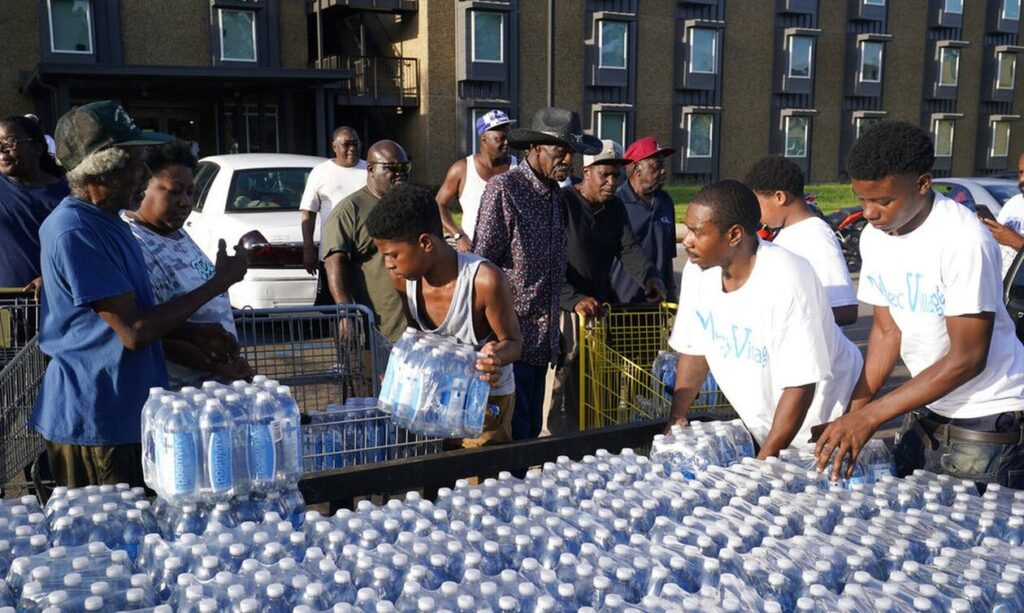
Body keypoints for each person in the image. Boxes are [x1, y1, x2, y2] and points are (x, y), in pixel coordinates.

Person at [31, 100, 249, 488]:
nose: (143, 175)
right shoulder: (75, 230)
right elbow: (132, 331)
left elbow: (139, 313)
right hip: (99, 421)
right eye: (136, 165)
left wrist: (194, 334)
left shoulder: (109, 221)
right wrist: (220, 282)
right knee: (110, 540)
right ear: (104, 169)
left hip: (133, 413)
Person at [814, 121, 1024, 488]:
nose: (869, 212)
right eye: (862, 198)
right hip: (930, 408)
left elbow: (968, 358)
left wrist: (870, 418)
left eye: (883, 200)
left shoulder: (962, 240)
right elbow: (886, 331)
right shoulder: (875, 238)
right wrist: (853, 412)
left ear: (923, 184)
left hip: (989, 418)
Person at [665, 180, 862, 457]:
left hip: (821, 423)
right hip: (766, 420)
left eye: (697, 233)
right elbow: (695, 349)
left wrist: (765, 461)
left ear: (734, 235)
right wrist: (677, 416)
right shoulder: (698, 272)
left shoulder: (788, 277)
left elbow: (801, 384)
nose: (687, 241)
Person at [473, 107, 602, 441]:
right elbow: (480, 265)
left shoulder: (557, 197)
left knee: (530, 433)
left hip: (542, 341)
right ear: (534, 149)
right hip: (508, 341)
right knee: (507, 439)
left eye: (571, 154)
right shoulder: (504, 189)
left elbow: (553, 270)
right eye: (561, 152)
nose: (568, 161)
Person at [367, 184, 522, 447]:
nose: (389, 265)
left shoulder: (484, 281)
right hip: (433, 396)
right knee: (436, 480)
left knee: (480, 484)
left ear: (425, 243)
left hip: (483, 402)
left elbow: (514, 344)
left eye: (393, 255)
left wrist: (495, 358)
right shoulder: (403, 279)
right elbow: (419, 337)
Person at [547, 140, 667, 431]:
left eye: (617, 175)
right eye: (606, 175)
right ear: (586, 172)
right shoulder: (562, 204)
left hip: (598, 306)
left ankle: (590, 439)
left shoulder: (614, 208)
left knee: (597, 380)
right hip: (565, 304)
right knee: (564, 379)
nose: (613, 182)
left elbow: (628, 247)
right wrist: (572, 298)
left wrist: (649, 277)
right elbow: (545, 262)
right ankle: (553, 446)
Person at [123, 140, 255, 388]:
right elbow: (153, 333)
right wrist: (221, 280)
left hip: (214, 388)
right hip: (178, 397)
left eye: (190, 192)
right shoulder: (135, 243)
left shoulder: (175, 231)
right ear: (142, 188)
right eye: (173, 192)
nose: (185, 202)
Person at [744, 155, 858, 326]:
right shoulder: (788, 233)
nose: (756, 214)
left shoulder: (815, 236)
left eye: (758, 204)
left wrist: (779, 318)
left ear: (780, 197)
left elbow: (845, 309)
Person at [321, 140, 410, 342]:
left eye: (405, 167)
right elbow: (334, 262)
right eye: (393, 167)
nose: (401, 172)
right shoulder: (350, 210)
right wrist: (345, 311)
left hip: (416, 324)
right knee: (377, 373)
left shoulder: (411, 204)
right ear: (371, 168)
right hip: (379, 327)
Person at [0, 115, 69, 293]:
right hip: (4, 309)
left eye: (10, 142)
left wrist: (52, 277)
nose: (1, 150)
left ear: (37, 148)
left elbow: (84, 252)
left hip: (52, 304)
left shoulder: (69, 196)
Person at [300, 126, 367, 304]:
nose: (352, 148)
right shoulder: (320, 172)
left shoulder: (370, 170)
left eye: (356, 143)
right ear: (334, 147)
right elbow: (308, 211)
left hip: (365, 253)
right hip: (332, 254)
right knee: (331, 305)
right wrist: (308, 248)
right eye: (347, 144)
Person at [436, 110, 517, 252]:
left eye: (508, 137)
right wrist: (458, 235)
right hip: (474, 254)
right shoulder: (462, 169)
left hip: (512, 256)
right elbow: (438, 204)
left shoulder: (518, 169)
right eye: (501, 138)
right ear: (484, 138)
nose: (507, 143)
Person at [610, 136, 678, 304]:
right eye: (657, 166)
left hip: (657, 304)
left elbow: (668, 256)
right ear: (636, 168)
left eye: (663, 165)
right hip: (621, 304)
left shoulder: (666, 202)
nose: (663, 171)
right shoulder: (615, 203)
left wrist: (672, 295)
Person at [980, 151, 1024, 278]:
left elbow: (1011, 238)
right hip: (1001, 286)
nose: (1022, 179)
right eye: (1021, 172)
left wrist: (1016, 241)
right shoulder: (1014, 202)